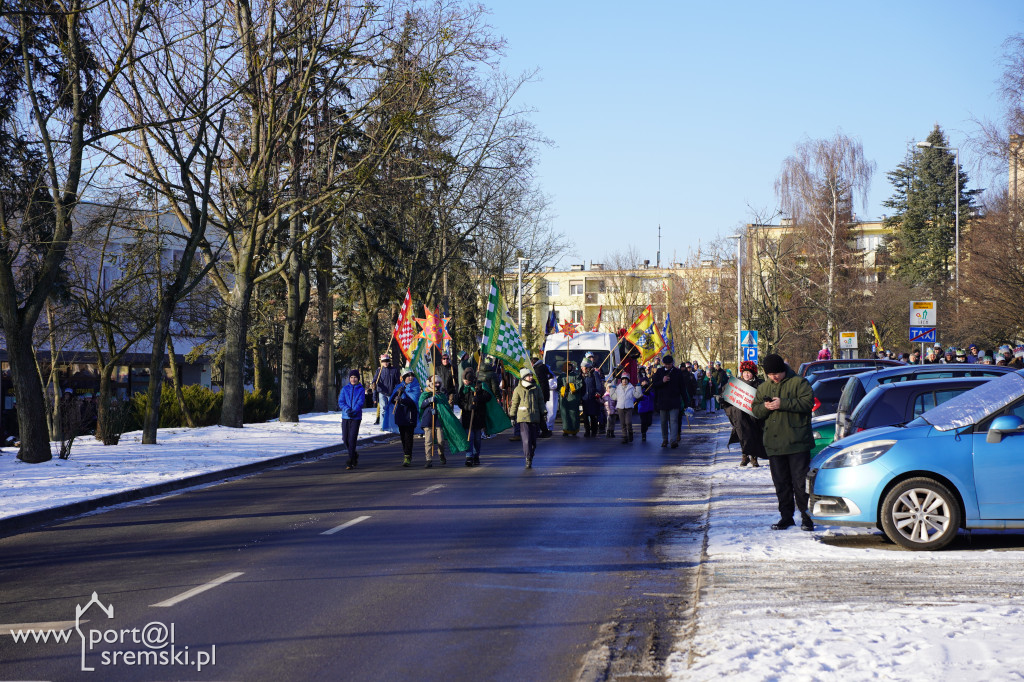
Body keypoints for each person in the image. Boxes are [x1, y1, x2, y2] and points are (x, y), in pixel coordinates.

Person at [751, 354, 815, 532]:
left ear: (783, 369)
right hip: (775, 444)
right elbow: (755, 410)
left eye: (777, 373)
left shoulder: (799, 383)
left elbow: (808, 403)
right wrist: (765, 407)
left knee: (801, 484)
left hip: (797, 443)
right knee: (781, 484)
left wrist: (783, 403)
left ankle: (807, 518)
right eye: (770, 374)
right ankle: (786, 517)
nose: (774, 377)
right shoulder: (764, 388)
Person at [724, 360, 766, 467]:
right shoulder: (736, 384)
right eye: (744, 372)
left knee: (755, 436)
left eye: (749, 372)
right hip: (740, 416)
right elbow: (726, 393)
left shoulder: (759, 384)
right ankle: (744, 456)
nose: (746, 374)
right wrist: (722, 399)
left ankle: (754, 458)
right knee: (742, 436)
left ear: (753, 373)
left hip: (754, 417)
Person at [509, 367, 545, 468]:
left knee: (533, 441)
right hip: (523, 418)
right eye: (528, 376)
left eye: (531, 375)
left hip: (535, 417)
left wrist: (544, 412)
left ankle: (531, 455)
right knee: (526, 439)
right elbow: (514, 403)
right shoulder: (518, 389)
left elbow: (541, 401)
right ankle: (528, 458)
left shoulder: (536, 388)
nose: (530, 377)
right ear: (524, 377)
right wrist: (512, 416)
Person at [457, 370, 491, 466]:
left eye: (466, 380)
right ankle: (469, 456)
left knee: (477, 439)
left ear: (471, 379)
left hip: (478, 417)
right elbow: (460, 401)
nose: (465, 382)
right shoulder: (463, 388)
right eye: (464, 380)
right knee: (469, 438)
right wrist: (467, 406)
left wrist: (478, 399)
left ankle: (476, 455)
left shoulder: (479, 386)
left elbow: (488, 396)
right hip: (468, 417)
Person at [652, 354, 685, 448]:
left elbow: (682, 387)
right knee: (663, 422)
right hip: (663, 401)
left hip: (674, 401)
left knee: (674, 421)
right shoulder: (659, 371)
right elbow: (654, 385)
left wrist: (686, 401)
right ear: (663, 363)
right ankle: (665, 439)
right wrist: (662, 381)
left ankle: (673, 440)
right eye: (666, 364)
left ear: (672, 363)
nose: (667, 366)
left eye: (669, 364)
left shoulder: (678, 372)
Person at [389, 369, 421, 467]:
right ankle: (406, 453)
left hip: (410, 415)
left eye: (412, 376)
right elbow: (392, 401)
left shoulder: (416, 387)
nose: (410, 377)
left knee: (408, 436)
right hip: (401, 415)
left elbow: (413, 402)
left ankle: (408, 456)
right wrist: (397, 394)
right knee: (403, 436)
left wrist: (402, 400)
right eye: (408, 376)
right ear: (404, 378)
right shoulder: (399, 387)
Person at [338, 369, 365, 470]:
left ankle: (350, 460)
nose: (353, 379)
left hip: (356, 417)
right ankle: (354, 454)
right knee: (345, 439)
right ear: (349, 379)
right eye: (351, 377)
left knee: (352, 439)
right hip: (346, 416)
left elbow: (361, 402)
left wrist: (354, 410)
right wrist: (347, 409)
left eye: (355, 377)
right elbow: (341, 401)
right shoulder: (345, 389)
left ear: (358, 378)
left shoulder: (361, 389)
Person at [612, 374, 642, 444]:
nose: (624, 381)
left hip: (629, 407)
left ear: (628, 380)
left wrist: (638, 387)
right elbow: (614, 397)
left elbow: (638, 395)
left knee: (628, 422)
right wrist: (612, 388)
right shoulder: (618, 388)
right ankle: (624, 437)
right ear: (621, 380)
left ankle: (630, 433)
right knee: (622, 423)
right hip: (620, 407)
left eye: (626, 379)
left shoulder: (631, 388)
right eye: (623, 379)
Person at [373, 353, 401, 427]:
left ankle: (392, 424)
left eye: (387, 361)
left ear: (389, 361)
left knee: (392, 409)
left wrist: (397, 389)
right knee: (383, 409)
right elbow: (375, 380)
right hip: (382, 392)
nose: (385, 363)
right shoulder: (379, 371)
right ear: (381, 362)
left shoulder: (394, 370)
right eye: (383, 361)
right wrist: (374, 384)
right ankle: (383, 425)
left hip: (391, 392)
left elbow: (397, 382)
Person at [580, 360, 605, 437]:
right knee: (585, 416)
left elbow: (599, 385)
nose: (581, 368)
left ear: (587, 367)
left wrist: (597, 393)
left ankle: (594, 431)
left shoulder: (594, 374)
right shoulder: (581, 375)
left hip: (593, 398)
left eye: (583, 367)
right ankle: (587, 431)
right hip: (585, 399)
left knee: (593, 415)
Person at [558, 361, 584, 437]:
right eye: (567, 366)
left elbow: (580, 384)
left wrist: (572, 386)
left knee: (573, 414)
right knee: (565, 414)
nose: (568, 367)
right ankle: (565, 430)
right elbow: (558, 385)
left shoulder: (576, 375)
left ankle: (574, 430)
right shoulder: (561, 376)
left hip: (573, 397)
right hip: (564, 397)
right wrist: (563, 388)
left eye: (570, 366)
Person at [532, 356, 554, 437]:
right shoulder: (544, 367)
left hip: (540, 393)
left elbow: (537, 382)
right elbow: (551, 375)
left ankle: (544, 431)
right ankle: (543, 430)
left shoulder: (537, 369)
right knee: (541, 412)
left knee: (539, 413)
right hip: (545, 392)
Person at [636, 367, 655, 441]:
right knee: (643, 422)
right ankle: (643, 434)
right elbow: (636, 396)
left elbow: (654, 396)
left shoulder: (650, 389)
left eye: (645, 381)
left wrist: (649, 393)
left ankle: (646, 427)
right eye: (643, 382)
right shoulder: (639, 389)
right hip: (642, 408)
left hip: (649, 408)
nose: (644, 383)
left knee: (649, 422)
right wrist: (639, 397)